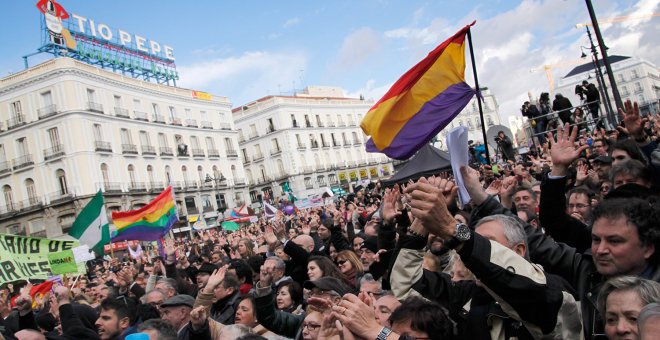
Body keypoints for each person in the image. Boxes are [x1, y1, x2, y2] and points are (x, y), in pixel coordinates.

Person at [469, 126, 660, 339]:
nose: (601, 250)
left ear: (648, 247)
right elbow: (538, 237)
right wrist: (558, 170)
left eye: (615, 241)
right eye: (596, 239)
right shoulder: (587, 271)